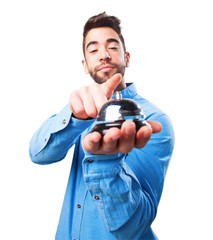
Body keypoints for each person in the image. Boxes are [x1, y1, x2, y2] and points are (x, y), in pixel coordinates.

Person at [29, 12, 175, 240]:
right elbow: (38, 154)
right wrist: (76, 118)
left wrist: (106, 164)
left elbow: (136, 225)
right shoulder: (79, 110)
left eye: (112, 47)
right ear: (85, 65)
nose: (104, 55)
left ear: (127, 58)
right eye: (93, 49)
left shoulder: (154, 119)